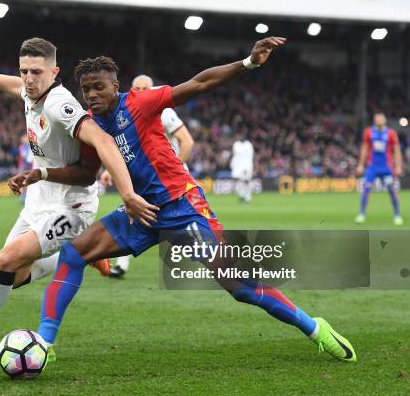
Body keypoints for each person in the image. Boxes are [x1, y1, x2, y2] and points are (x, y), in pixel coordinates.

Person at [37, 37, 357, 364]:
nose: (91, 95)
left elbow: (199, 84)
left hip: (182, 206)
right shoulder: (89, 125)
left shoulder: (140, 103)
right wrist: (43, 174)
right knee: (74, 253)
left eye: (99, 87)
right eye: (86, 89)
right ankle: (43, 344)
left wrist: (247, 63)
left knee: (240, 286)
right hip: (142, 211)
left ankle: (314, 327)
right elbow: (86, 173)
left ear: (115, 85)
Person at [0, 37, 157, 360]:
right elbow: (13, 85)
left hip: (71, 205)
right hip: (38, 199)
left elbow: (104, 142)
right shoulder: (30, 93)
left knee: (5, 261)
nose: (28, 78)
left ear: (53, 72)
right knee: (9, 276)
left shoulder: (60, 105)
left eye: (36, 72)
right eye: (24, 71)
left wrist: (127, 194)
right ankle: (81, 251)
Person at [103, 74, 195, 278]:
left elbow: (186, 141)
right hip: (143, 179)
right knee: (132, 213)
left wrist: (176, 168)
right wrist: (109, 170)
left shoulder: (164, 112)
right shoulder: (126, 114)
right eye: (138, 88)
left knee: (185, 226)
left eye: (147, 88)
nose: (143, 92)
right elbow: (125, 149)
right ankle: (121, 264)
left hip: (169, 181)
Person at [355, 111, 403, 225]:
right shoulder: (368, 132)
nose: (379, 120)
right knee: (366, 190)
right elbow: (364, 148)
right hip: (372, 167)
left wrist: (398, 166)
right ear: (374, 120)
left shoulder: (391, 133)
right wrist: (361, 165)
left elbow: (396, 151)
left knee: (392, 191)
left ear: (385, 120)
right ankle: (361, 214)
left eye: (381, 118)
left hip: (386, 168)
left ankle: (397, 215)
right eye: (377, 118)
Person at [231, 131, 254, 203]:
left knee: (246, 181)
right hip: (237, 166)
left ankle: (248, 197)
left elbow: (251, 156)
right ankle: (242, 195)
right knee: (236, 180)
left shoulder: (248, 144)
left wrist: (250, 166)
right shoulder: (236, 144)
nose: (241, 137)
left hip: (247, 165)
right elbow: (234, 153)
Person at [17, 134, 34, 204]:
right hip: (24, 166)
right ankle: (23, 197)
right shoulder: (22, 147)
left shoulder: (30, 146)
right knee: (22, 182)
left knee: (29, 182)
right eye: (24, 139)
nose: (25, 140)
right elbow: (26, 156)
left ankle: (27, 197)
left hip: (30, 166)